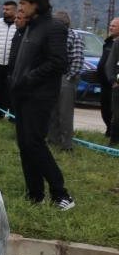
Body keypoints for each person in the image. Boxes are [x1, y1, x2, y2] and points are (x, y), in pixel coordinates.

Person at [9, 0, 73, 210]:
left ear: (36, 3)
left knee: (35, 144)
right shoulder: (29, 27)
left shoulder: (53, 27)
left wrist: (29, 77)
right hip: (22, 95)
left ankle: (61, 194)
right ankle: (35, 194)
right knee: (25, 145)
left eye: (24, 3)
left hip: (40, 96)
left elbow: (59, 62)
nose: (21, 8)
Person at [46, 12, 83, 152]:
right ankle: (52, 139)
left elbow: (77, 60)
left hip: (66, 78)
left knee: (65, 113)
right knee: (52, 111)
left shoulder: (74, 36)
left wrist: (68, 78)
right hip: (51, 78)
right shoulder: (52, 37)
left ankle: (67, 145)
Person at [102, 17, 119, 145]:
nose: (111, 27)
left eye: (114, 25)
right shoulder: (116, 42)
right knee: (116, 114)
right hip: (116, 85)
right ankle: (113, 141)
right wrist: (113, 80)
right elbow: (110, 63)